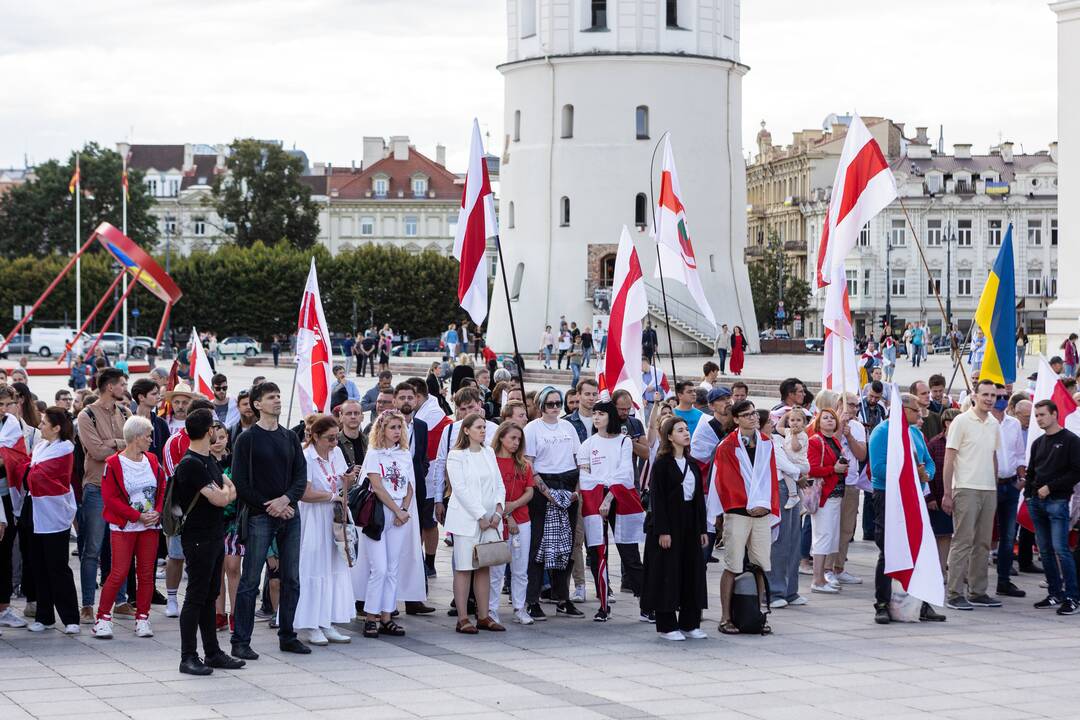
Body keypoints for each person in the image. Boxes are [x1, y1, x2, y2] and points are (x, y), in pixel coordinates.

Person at [230, 381, 311, 659]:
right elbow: (240, 482)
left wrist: (286, 500)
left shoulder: (289, 437)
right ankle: (240, 640)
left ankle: (287, 635)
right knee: (250, 580)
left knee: (292, 578)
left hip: (290, 513)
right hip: (259, 516)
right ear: (257, 404)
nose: (277, 400)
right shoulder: (247, 439)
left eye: (278, 396)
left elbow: (301, 475)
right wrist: (271, 506)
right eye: (271, 397)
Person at [172, 408, 245, 675]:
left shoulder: (209, 461)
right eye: (214, 427)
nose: (217, 432)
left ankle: (212, 652)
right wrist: (224, 492)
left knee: (210, 594)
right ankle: (188, 656)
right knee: (195, 597)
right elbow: (222, 498)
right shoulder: (191, 463)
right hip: (198, 538)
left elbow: (231, 491)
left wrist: (224, 492)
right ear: (207, 432)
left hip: (215, 536)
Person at [867, 393, 943, 624]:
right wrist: (912, 473)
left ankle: (922, 603)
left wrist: (926, 475)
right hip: (888, 495)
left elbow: (928, 462)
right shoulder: (882, 432)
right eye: (916, 409)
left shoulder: (915, 433)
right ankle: (882, 603)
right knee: (889, 550)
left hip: (914, 497)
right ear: (903, 410)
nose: (920, 413)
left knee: (919, 547)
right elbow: (878, 469)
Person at [352, 410, 426, 638]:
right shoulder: (374, 453)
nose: (397, 432)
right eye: (392, 427)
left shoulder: (404, 453)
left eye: (399, 427)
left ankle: (386, 615)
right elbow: (377, 486)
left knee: (393, 568)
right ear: (381, 429)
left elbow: (410, 484)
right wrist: (395, 510)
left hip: (399, 514)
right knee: (379, 568)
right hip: (378, 513)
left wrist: (404, 509)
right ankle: (370, 615)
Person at [94, 415, 166, 639]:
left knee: (146, 574)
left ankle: (143, 618)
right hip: (124, 527)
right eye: (148, 435)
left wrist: (158, 511)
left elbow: (162, 486)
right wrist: (137, 516)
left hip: (149, 527)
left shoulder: (152, 460)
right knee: (119, 572)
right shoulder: (114, 463)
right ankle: (103, 619)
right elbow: (111, 498)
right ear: (136, 438)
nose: (151, 440)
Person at [712, 401, 778, 634]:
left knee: (760, 565)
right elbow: (725, 482)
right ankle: (725, 617)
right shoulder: (727, 446)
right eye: (747, 414)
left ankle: (758, 614)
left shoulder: (767, 443)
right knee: (733, 564)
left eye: (754, 413)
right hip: (738, 511)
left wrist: (766, 505)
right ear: (736, 419)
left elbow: (770, 477)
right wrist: (747, 504)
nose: (753, 418)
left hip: (761, 512)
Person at [578, 401, 646, 622]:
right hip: (594, 500)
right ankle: (603, 603)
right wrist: (601, 492)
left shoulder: (624, 441)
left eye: (601, 414)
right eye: (594, 414)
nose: (596, 418)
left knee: (629, 554)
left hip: (618, 499)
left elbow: (625, 471)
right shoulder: (587, 444)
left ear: (611, 417)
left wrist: (608, 495)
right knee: (598, 552)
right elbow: (585, 475)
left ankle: (646, 604)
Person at [641, 416, 708, 641]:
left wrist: (702, 529)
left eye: (687, 429)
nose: (686, 433)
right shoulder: (662, 464)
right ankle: (667, 625)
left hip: (690, 523)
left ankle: (690, 622)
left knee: (692, 571)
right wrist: (662, 530)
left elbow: (698, 499)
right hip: (669, 523)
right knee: (667, 573)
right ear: (669, 436)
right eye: (680, 430)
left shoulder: (692, 464)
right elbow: (657, 500)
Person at [295, 414, 360, 646]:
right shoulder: (307, 457)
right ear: (315, 436)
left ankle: (327, 621)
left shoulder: (336, 453)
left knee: (334, 567)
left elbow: (343, 484)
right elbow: (305, 493)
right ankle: (311, 624)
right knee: (314, 568)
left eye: (336, 438)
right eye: (330, 438)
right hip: (314, 518)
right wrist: (333, 495)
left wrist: (349, 480)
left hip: (334, 516)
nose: (334, 443)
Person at [76, 368, 132, 623]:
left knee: (119, 547)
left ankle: (120, 600)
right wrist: (122, 443)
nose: (124, 388)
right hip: (97, 486)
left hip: (122, 488)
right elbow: (97, 452)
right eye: (122, 384)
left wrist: (114, 443)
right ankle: (88, 603)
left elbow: (138, 445)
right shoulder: (86, 415)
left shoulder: (125, 412)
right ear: (110, 387)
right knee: (93, 548)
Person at [524, 387, 584, 620]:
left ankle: (562, 598)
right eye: (549, 404)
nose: (555, 407)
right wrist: (546, 491)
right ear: (541, 406)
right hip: (544, 487)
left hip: (568, 486)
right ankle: (532, 600)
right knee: (538, 546)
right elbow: (529, 463)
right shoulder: (532, 429)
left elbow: (579, 460)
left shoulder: (568, 426)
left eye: (558, 403)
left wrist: (576, 490)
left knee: (565, 546)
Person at [942, 379, 1002, 611]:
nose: (989, 399)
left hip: (988, 489)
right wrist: (948, 492)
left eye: (993, 395)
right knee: (962, 541)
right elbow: (949, 457)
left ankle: (978, 591)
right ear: (974, 396)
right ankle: (955, 593)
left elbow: (993, 457)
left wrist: (994, 484)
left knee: (983, 543)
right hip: (965, 487)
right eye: (985, 394)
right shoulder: (961, 420)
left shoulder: (994, 423)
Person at [444, 413, 507, 633]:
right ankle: (462, 618)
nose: (483, 430)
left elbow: (499, 484)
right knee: (464, 568)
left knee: (484, 567)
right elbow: (460, 489)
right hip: (467, 520)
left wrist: (498, 512)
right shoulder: (456, 455)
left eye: (484, 427)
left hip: (490, 520)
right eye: (478, 427)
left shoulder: (489, 452)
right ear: (467, 430)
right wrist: (480, 515)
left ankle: (483, 615)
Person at [21, 407, 81, 635]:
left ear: (57, 428)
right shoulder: (40, 447)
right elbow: (29, 473)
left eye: (45, 423)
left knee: (57, 567)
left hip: (54, 513)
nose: (40, 426)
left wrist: (29, 472)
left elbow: (36, 476)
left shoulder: (65, 449)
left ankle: (70, 618)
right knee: (38, 566)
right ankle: (44, 616)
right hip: (34, 511)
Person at [1025, 399, 1080, 614]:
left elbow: (1076, 471)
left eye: (1042, 414)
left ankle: (1072, 597)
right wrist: (1029, 495)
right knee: (1045, 551)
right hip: (1036, 503)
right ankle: (1055, 593)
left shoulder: (1071, 441)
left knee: (1061, 550)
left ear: (1055, 414)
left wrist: (1051, 487)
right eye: (1036, 415)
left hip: (1057, 502)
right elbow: (1031, 471)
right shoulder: (1038, 443)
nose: (1039, 419)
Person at [488, 421, 535, 625]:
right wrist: (508, 516)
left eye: (519, 439)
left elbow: (530, 491)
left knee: (520, 568)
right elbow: (490, 494)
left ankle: (519, 607)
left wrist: (514, 505)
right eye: (512, 438)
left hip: (523, 520)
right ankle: (491, 609)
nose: (516, 443)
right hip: (498, 520)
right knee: (496, 569)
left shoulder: (524, 464)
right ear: (500, 437)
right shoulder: (491, 462)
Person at [768, 409, 809, 609]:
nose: (772, 424)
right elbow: (787, 465)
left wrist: (799, 472)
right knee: (781, 541)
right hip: (779, 488)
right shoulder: (769, 442)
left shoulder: (776, 440)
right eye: (767, 421)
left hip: (790, 486)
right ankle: (775, 591)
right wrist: (799, 472)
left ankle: (791, 590)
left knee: (794, 540)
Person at [807, 408, 847, 594]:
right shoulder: (816, 441)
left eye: (832, 418)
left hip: (836, 493)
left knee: (830, 536)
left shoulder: (835, 441)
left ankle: (823, 576)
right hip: (825, 495)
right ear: (818, 422)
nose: (830, 421)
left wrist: (841, 468)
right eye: (825, 418)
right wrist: (834, 469)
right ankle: (817, 579)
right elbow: (812, 469)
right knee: (823, 536)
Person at [992, 385, 1027, 599]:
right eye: (998, 396)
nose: (1001, 400)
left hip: (1011, 484)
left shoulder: (1013, 424)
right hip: (989, 485)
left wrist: (1022, 479)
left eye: (1005, 396)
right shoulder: (983, 423)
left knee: (1007, 536)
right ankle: (972, 580)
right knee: (980, 534)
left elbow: (1019, 453)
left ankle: (1003, 580)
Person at [130, 379, 170, 461]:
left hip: (157, 471)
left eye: (158, 393)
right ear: (141, 397)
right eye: (154, 394)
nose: (158, 397)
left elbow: (166, 452)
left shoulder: (161, 423)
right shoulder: (128, 422)